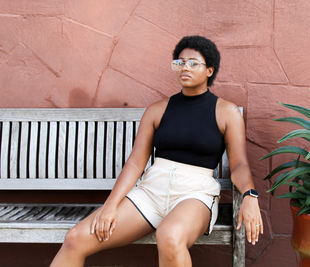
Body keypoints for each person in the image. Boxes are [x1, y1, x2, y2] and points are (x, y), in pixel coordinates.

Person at [50, 35, 263, 267]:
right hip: (150, 193)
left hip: (195, 194)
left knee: (170, 236)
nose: (185, 68)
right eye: (180, 62)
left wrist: (250, 195)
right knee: (75, 239)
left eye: (193, 63)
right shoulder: (157, 110)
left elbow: (239, 164)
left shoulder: (226, 112)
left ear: (209, 70)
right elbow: (135, 163)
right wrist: (110, 205)